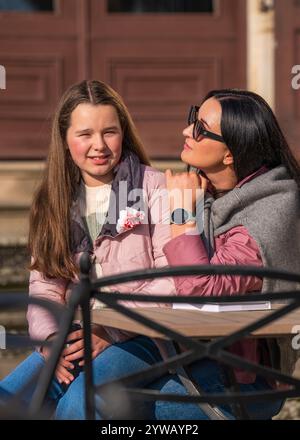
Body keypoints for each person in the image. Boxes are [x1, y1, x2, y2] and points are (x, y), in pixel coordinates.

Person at [0, 79, 174, 418]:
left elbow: (171, 279)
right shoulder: (54, 199)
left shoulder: (154, 187)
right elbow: (45, 286)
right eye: (85, 135)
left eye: (109, 132)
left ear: (123, 133)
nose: (99, 145)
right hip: (74, 335)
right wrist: (52, 338)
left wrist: (110, 329)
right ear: (65, 140)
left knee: (79, 401)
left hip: (144, 335)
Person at [143, 89, 300, 419]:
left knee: (166, 407)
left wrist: (182, 215)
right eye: (192, 118)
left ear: (229, 154)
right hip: (179, 350)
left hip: (247, 376)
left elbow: (202, 286)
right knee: (93, 389)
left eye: (200, 128)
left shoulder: (270, 210)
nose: (187, 131)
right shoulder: (203, 192)